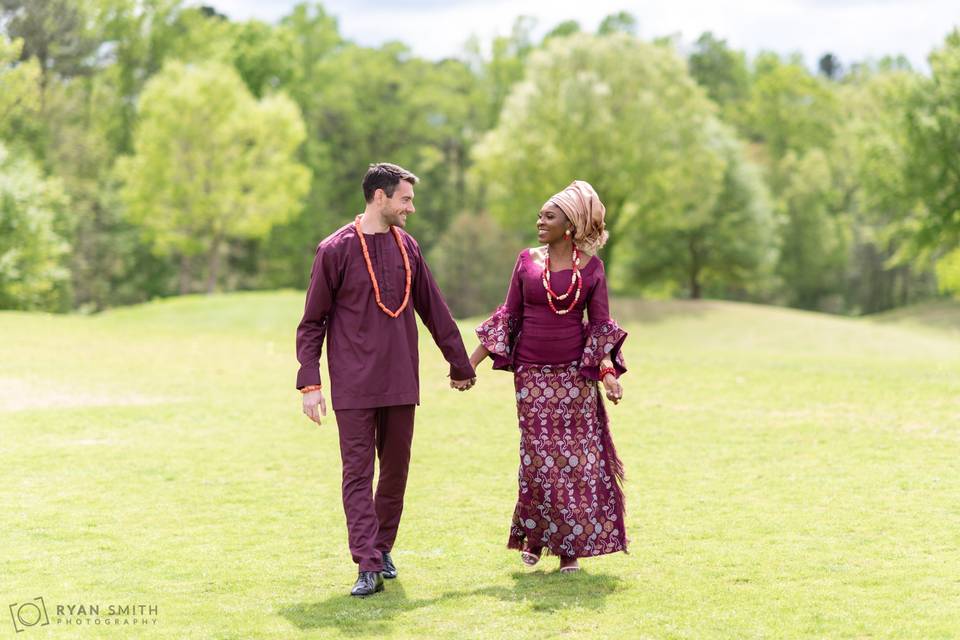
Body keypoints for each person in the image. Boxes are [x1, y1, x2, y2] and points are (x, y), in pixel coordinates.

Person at [296, 162, 476, 597]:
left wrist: (460, 363)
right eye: (405, 199)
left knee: (395, 473)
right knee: (357, 474)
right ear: (381, 197)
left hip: (399, 382)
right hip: (353, 386)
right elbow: (312, 322)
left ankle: (381, 546)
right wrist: (310, 383)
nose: (410, 208)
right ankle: (367, 563)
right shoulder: (334, 250)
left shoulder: (408, 248)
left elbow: (434, 309)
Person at [469, 180, 628, 573]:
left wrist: (607, 375)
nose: (540, 221)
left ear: (569, 224)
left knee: (574, 462)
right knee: (538, 460)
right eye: (540, 215)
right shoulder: (526, 261)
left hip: (575, 381)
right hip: (532, 378)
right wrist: (467, 364)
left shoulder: (591, 269)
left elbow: (601, 326)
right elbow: (508, 316)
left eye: (549, 216)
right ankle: (536, 537)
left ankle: (568, 550)